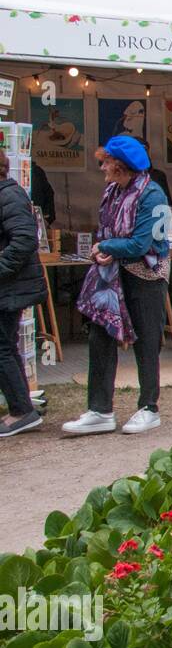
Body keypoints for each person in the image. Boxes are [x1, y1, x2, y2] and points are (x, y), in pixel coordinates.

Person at [63, 136, 171, 436]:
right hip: (112, 275)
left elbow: (141, 242)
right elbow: (108, 229)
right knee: (100, 335)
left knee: (147, 340)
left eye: (106, 161)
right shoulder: (112, 191)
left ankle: (149, 407)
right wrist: (103, 248)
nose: (102, 167)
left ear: (121, 166)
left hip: (145, 275)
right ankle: (100, 409)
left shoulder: (153, 196)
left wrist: (107, 244)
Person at [0, 155, 47, 437]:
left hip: (9, 286)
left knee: (2, 348)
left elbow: (24, 239)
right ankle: (21, 407)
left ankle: (21, 411)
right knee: (6, 346)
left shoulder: (9, 195)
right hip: (9, 286)